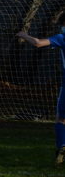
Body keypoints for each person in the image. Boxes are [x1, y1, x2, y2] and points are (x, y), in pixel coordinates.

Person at [17, 15, 65, 166]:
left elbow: (38, 43)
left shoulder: (62, 37)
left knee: (61, 119)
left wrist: (24, 35)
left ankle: (62, 148)